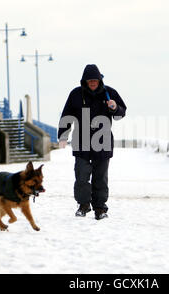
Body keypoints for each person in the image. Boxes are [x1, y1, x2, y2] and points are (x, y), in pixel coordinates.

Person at [58, 64, 127, 220]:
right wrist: (63, 136)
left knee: (100, 178)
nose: (93, 83)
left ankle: (100, 208)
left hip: (103, 142)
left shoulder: (109, 93)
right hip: (81, 142)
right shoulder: (76, 94)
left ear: (99, 79)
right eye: (90, 80)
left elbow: (121, 113)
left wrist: (115, 107)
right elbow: (66, 116)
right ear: (85, 81)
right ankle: (83, 206)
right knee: (81, 176)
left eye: (95, 80)